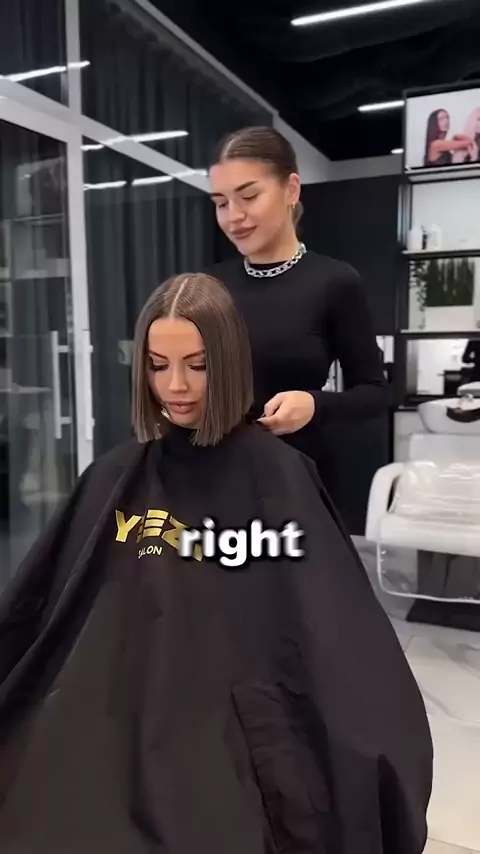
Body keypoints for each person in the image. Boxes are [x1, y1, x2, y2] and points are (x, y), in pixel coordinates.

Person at [0, 273, 432, 853]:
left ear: (227, 362)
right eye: (158, 365)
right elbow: (42, 614)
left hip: (232, 713)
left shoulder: (279, 477)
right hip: (121, 702)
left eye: (197, 366)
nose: (175, 386)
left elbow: (323, 632)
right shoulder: (113, 477)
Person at [207, 125, 389, 521]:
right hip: (215, 478)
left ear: (291, 189)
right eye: (221, 203)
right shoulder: (210, 285)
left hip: (297, 482)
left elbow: (375, 392)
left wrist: (314, 404)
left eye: (249, 196)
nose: (233, 216)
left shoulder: (335, 282)